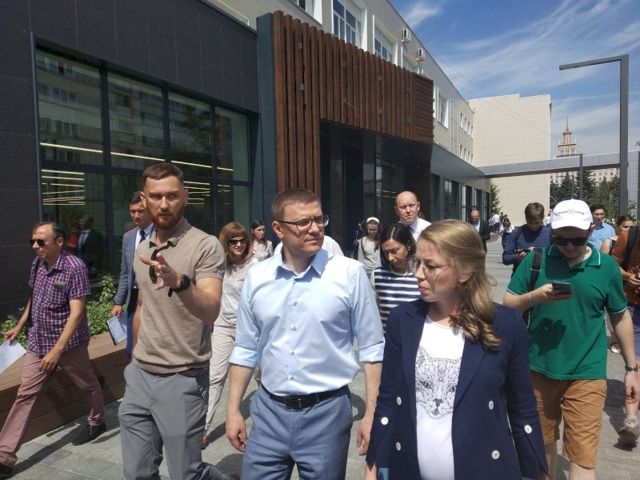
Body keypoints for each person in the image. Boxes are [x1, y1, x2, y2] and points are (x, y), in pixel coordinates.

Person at [365, 220, 548, 480]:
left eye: (431, 266)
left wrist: (537, 471)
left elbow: (522, 407)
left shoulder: (505, 325)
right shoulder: (402, 320)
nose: (418, 274)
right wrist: (372, 467)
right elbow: (388, 399)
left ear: (464, 271)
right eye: (418, 263)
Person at [225, 189, 384, 480]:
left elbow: (373, 348)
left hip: (326, 414)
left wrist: (371, 413)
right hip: (268, 412)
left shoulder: (349, 274)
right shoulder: (258, 277)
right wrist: (233, 408)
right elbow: (246, 348)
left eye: (319, 219)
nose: (315, 228)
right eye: (303, 222)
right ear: (278, 229)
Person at [503, 199, 639, 480]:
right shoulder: (536, 260)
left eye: (576, 240)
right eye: (561, 239)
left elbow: (620, 316)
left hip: (587, 373)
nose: (568, 246)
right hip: (539, 369)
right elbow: (508, 303)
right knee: (542, 449)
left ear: (590, 231)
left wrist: (630, 368)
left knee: (582, 457)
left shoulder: (605, 267)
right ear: (552, 232)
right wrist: (534, 297)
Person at [118, 163, 226, 480]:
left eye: (172, 196)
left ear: (185, 197)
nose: (164, 204)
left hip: (182, 378)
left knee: (186, 474)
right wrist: (133, 360)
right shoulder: (142, 248)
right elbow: (142, 306)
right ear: (144, 199)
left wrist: (180, 283)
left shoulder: (205, 245)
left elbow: (211, 310)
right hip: (140, 375)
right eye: (156, 196)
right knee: (137, 472)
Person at [0, 222, 106, 478]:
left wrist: (58, 351)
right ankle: (4, 456)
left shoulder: (74, 267)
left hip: (69, 344)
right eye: (33, 242)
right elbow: (34, 297)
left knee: (87, 385)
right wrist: (20, 325)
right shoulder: (37, 263)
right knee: (25, 394)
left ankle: (97, 421)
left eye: (41, 242)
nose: (35, 246)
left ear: (59, 242)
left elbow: (77, 312)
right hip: (38, 341)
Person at [202, 222, 255, 449]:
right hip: (223, 325)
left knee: (263, 376)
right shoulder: (219, 264)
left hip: (250, 328)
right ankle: (203, 429)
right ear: (226, 242)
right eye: (233, 241)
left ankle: (266, 426)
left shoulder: (255, 266)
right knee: (215, 376)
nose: (239, 245)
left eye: (243, 240)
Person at [112, 191, 154, 355]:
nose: (136, 216)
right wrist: (118, 302)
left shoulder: (161, 235)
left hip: (153, 298)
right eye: (132, 211)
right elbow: (125, 272)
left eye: (140, 211)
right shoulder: (128, 237)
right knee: (132, 347)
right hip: (133, 298)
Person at [611, 222, 640, 446]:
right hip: (633, 307)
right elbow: (612, 265)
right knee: (635, 365)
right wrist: (627, 276)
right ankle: (631, 419)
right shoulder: (628, 236)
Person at [371, 223, 420, 333]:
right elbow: (372, 313)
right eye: (386, 252)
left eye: (394, 251)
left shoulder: (420, 276)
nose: (390, 258)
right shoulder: (377, 276)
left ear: (408, 245)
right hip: (386, 340)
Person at [502, 202, 551, 275]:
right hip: (520, 278)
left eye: (536, 223)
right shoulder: (517, 233)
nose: (533, 226)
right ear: (525, 218)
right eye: (529, 222)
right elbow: (505, 258)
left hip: (543, 278)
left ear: (542, 218)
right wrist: (517, 257)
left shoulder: (550, 234)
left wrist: (538, 253)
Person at [75, 214, 104, 278]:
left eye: (83, 222)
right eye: (80, 222)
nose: (80, 223)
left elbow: (98, 251)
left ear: (89, 223)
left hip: (89, 266)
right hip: (78, 265)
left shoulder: (96, 235)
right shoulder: (79, 234)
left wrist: (95, 266)